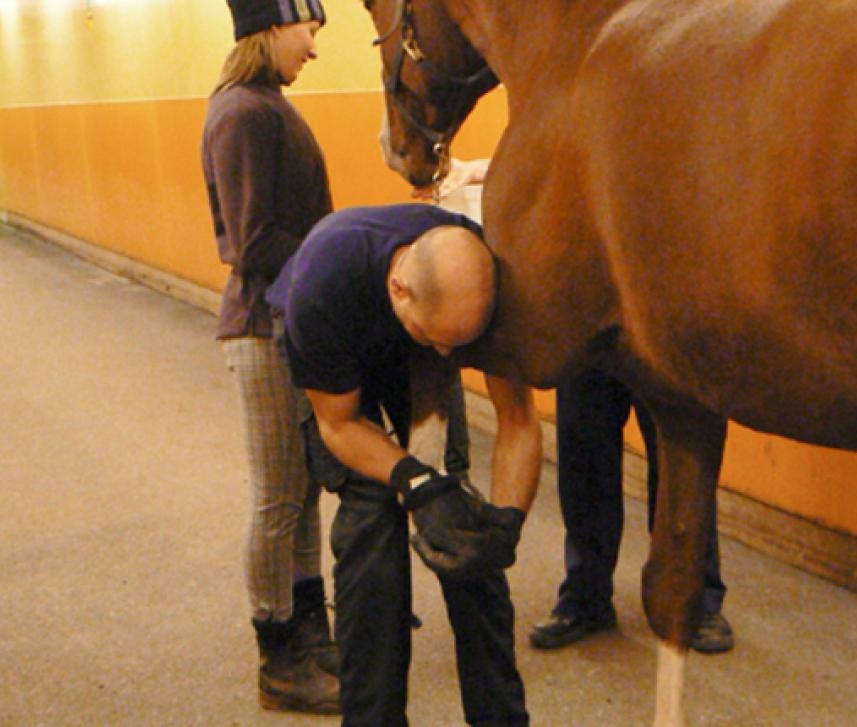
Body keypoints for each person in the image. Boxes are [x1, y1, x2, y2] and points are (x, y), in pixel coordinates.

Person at [266, 203, 542, 726]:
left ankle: (500, 718)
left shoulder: (481, 283)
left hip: (412, 339)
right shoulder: (321, 285)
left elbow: (519, 420)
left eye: (458, 345)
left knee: (462, 528)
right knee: (372, 520)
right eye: (441, 339)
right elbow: (339, 425)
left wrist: (507, 524)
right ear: (399, 289)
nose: (448, 353)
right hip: (341, 362)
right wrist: (413, 480)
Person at [200, 0, 339, 713]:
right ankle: (277, 651)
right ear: (272, 28)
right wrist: (341, 253)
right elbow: (251, 243)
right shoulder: (244, 112)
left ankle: (311, 629)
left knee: (303, 489)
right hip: (262, 328)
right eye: (309, 30)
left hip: (288, 322)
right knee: (278, 497)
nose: (313, 47)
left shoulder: (265, 104)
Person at [529, 367, 734, 653]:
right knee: (583, 444)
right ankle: (586, 595)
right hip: (588, 330)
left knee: (679, 457)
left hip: (663, 333)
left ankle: (695, 600)